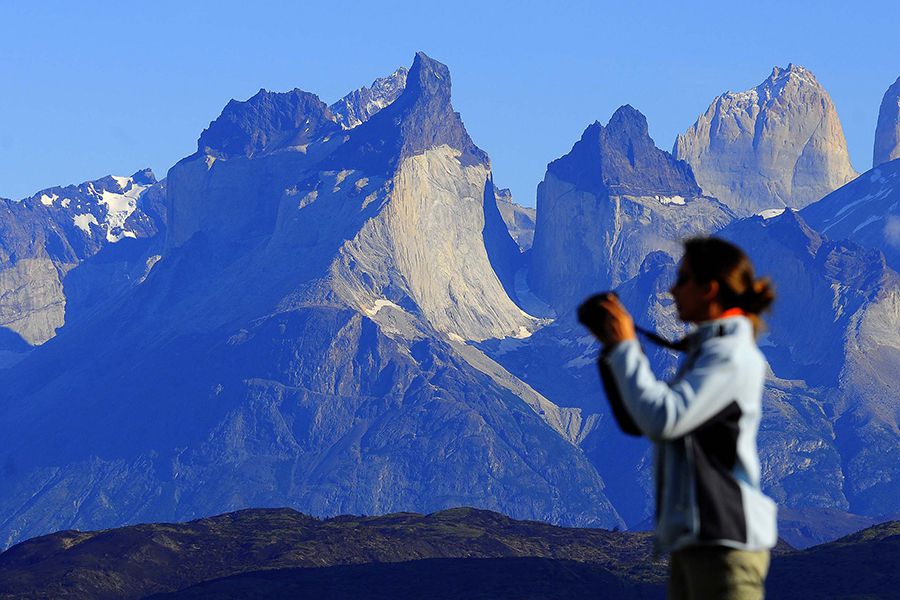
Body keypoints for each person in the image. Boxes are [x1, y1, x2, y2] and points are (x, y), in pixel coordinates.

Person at [578, 237, 777, 600]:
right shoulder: (711, 350)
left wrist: (625, 348)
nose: (671, 289)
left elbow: (664, 418)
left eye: (682, 279)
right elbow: (647, 422)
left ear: (709, 290)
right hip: (703, 542)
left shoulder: (729, 355)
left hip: (724, 544)